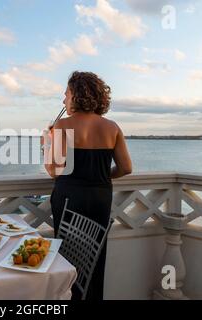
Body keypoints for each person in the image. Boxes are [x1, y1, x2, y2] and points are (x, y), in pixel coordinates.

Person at [43, 71, 132, 300]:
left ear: (76, 95)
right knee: (95, 259)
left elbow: (54, 170)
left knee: (68, 260)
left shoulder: (62, 125)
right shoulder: (112, 127)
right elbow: (126, 168)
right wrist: (99, 176)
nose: (64, 100)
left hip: (69, 199)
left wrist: (47, 141)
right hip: (100, 198)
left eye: (66, 94)